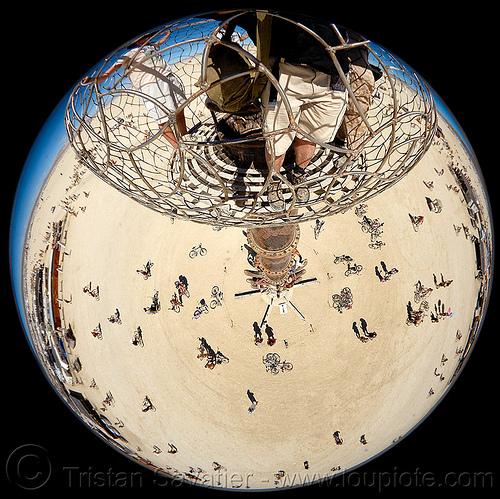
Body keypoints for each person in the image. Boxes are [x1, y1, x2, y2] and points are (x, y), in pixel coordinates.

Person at [83, 30, 187, 149]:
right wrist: (93, 79)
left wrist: (167, 35)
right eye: (143, 36)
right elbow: (107, 74)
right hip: (151, 85)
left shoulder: (151, 45)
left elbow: (160, 42)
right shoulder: (129, 54)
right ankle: (178, 147)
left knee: (179, 109)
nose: (147, 36)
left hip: (168, 76)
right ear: (136, 41)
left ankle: (185, 137)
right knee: (162, 120)